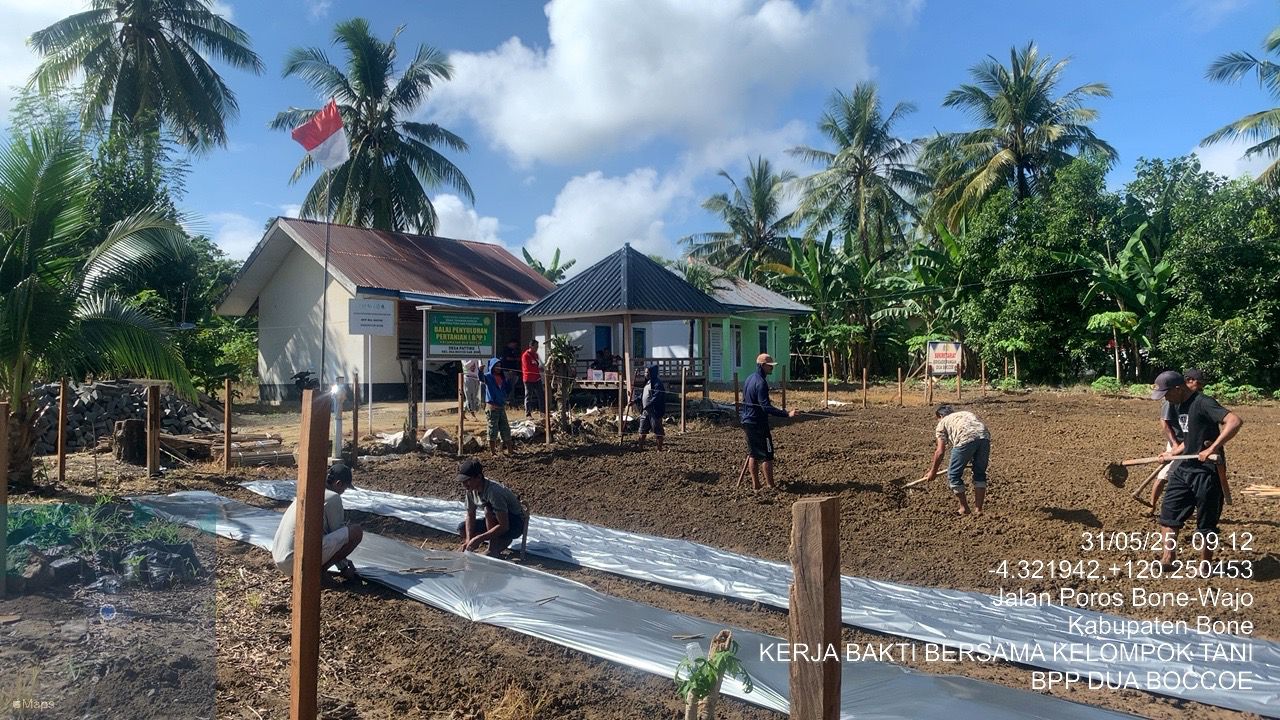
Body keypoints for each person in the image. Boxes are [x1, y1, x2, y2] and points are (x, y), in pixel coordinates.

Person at [1150, 370, 1243, 567]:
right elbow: (1189, 437)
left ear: (1178, 388)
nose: (1165, 398)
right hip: (1184, 467)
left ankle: (1205, 564)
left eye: (1167, 393)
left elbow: (1234, 421)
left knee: (1206, 523)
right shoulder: (1178, 405)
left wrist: (1212, 448)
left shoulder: (1203, 402)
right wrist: (1173, 453)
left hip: (1207, 471)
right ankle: (1168, 558)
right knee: (1169, 515)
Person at [270, 460, 364, 580]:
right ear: (338, 483)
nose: (343, 493)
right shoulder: (333, 497)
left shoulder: (310, 492)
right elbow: (339, 536)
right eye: (344, 489)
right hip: (295, 561)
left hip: (281, 559)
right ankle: (320, 572)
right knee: (355, 531)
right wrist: (344, 568)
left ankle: (316, 570)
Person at [918, 405, 991, 516]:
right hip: (984, 437)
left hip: (965, 438)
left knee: (953, 475)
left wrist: (933, 472)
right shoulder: (966, 413)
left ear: (940, 416)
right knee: (979, 474)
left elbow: (940, 451)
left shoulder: (942, 423)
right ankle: (978, 510)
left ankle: (964, 508)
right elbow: (976, 432)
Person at [739, 353, 798, 490]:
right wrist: (787, 414)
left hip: (747, 420)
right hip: (758, 423)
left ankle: (756, 485)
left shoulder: (749, 379)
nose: (772, 368)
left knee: (753, 453)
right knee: (767, 455)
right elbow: (765, 407)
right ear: (762, 365)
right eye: (770, 366)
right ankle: (771, 486)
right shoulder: (761, 383)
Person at [455, 459, 526, 557]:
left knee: (488, 510)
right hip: (496, 520)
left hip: (514, 524)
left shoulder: (494, 492)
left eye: (468, 481)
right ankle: (500, 541)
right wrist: (469, 539)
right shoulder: (470, 490)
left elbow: (504, 526)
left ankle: (493, 548)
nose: (464, 485)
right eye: (463, 481)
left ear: (479, 477)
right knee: (462, 528)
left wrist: (479, 538)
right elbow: (470, 515)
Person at [482, 357, 514, 453]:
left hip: (501, 407)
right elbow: (480, 378)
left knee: (506, 429)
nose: (498, 368)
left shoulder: (503, 378)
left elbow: (507, 390)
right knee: (492, 430)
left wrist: (510, 379)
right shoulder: (488, 376)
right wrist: (480, 371)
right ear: (492, 367)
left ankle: (510, 450)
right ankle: (493, 452)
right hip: (492, 408)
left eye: (500, 366)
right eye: (496, 366)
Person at [638, 364, 666, 450]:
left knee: (657, 430)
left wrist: (649, 404)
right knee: (642, 429)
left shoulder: (657, 383)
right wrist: (635, 400)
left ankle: (659, 449)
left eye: (647, 372)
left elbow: (657, 396)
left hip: (654, 411)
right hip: (645, 411)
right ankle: (640, 447)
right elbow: (642, 395)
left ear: (652, 373)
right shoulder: (647, 382)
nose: (645, 374)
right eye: (645, 372)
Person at [521, 339, 543, 419]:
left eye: (537, 346)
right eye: (535, 346)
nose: (537, 348)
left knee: (541, 395)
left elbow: (536, 365)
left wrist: (540, 369)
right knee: (528, 397)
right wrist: (537, 369)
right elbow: (528, 368)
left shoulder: (536, 355)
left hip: (537, 378)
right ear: (531, 346)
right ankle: (528, 414)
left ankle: (542, 412)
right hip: (528, 379)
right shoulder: (525, 355)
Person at [501, 340, 522, 408]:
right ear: (511, 343)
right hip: (507, 370)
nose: (515, 346)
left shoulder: (514, 350)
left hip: (514, 371)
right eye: (514, 344)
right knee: (507, 385)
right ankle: (507, 400)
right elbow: (507, 358)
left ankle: (511, 400)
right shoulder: (506, 350)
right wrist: (515, 359)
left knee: (512, 386)